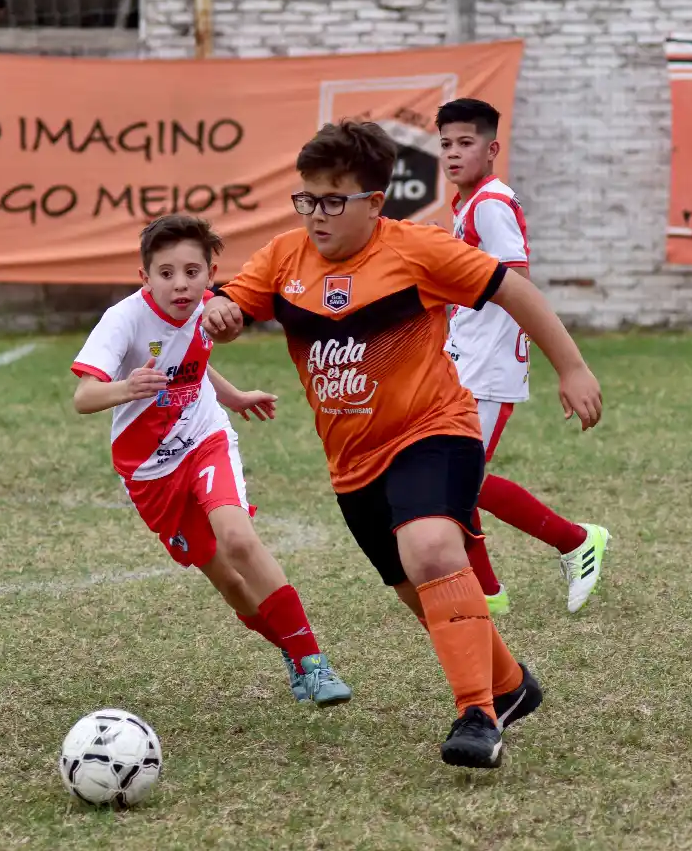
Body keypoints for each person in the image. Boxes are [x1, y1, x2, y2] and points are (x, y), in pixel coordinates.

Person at [201, 120, 604, 768]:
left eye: (335, 201)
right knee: (423, 596)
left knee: (432, 549)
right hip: (351, 465)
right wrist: (221, 312)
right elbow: (230, 308)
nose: (317, 215)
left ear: (375, 203)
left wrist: (573, 367)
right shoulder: (283, 257)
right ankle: (509, 686)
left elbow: (514, 290)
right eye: (307, 199)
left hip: (433, 431)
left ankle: (478, 715)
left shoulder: (417, 250)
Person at [71, 214, 352, 706]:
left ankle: (315, 663)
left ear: (211, 273)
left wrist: (235, 397)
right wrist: (127, 388)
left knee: (239, 538)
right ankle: (288, 649)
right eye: (166, 273)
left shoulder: (208, 309)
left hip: (205, 437)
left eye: (192, 272)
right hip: (150, 472)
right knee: (231, 583)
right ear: (145, 277)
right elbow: (84, 397)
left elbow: (195, 362)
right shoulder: (123, 319)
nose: (180, 284)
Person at [436, 97, 609, 616]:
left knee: (459, 480)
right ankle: (487, 592)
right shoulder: (467, 203)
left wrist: (568, 367)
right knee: (456, 478)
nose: (453, 153)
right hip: (465, 357)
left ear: (491, 149)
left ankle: (576, 541)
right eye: (446, 144)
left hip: (488, 366)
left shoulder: (490, 202)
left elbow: (517, 283)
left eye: (465, 143)